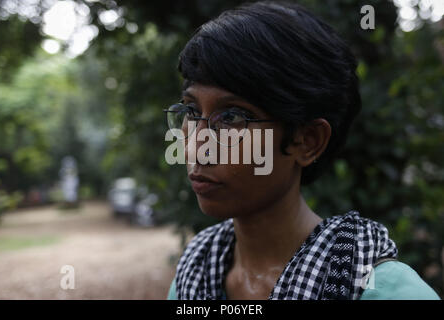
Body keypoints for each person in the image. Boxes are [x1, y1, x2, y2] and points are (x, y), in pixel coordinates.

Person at [165, 1, 440, 300]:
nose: (196, 145)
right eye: (191, 112)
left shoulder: (382, 290)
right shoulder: (193, 275)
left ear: (308, 140)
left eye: (231, 118)